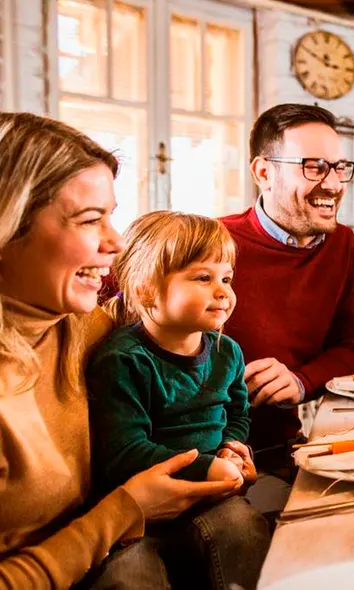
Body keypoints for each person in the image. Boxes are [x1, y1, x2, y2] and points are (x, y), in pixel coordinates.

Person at [0, 112, 240, 589]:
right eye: (91, 220)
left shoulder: (83, 322)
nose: (115, 242)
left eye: (111, 216)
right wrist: (122, 512)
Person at [89, 211, 269, 589]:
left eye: (226, 278)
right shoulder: (124, 359)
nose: (222, 291)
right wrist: (207, 467)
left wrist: (232, 447)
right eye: (203, 278)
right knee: (129, 577)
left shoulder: (227, 352)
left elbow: (237, 413)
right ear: (146, 290)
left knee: (244, 530)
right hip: (139, 513)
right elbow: (125, 452)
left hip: (211, 498)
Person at [221, 103, 354, 477]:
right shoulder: (211, 241)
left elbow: (350, 346)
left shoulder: (343, 244)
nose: (333, 185)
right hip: (210, 456)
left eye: (338, 168)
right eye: (314, 167)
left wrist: (300, 382)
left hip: (280, 451)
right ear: (264, 172)